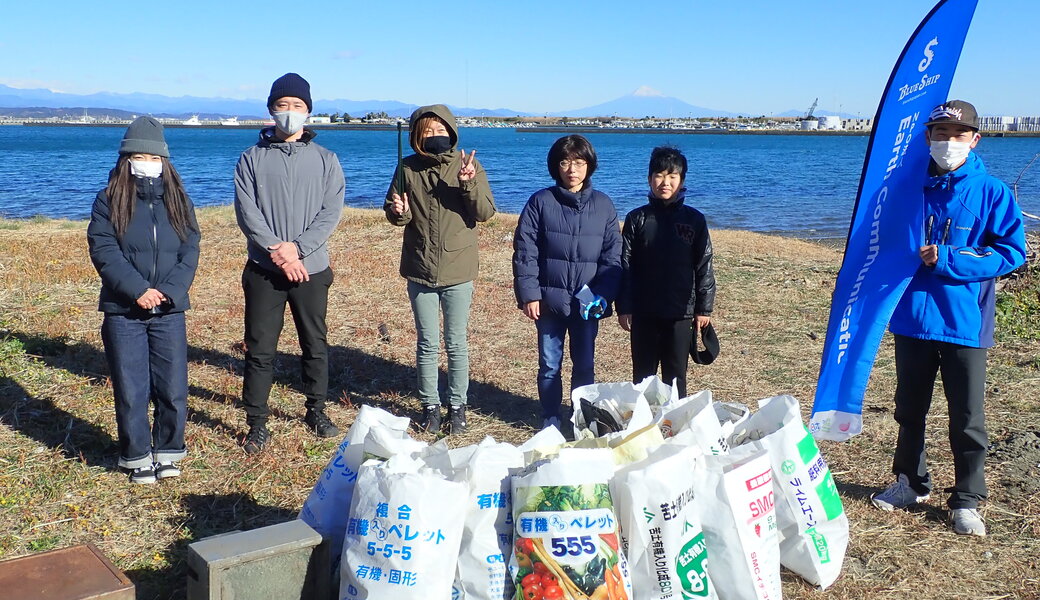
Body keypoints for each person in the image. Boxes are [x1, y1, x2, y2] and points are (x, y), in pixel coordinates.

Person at [871, 100, 1027, 536]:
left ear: (974, 139)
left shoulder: (991, 191)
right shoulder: (905, 188)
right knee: (909, 408)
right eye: (940, 133)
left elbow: (1012, 252)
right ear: (927, 138)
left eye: (958, 135)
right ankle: (910, 481)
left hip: (964, 322)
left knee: (967, 415)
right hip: (912, 318)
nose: (948, 142)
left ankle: (967, 499)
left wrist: (951, 258)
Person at [234, 73, 345, 453]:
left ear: (309, 113)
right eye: (282, 106)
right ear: (270, 110)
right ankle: (256, 420)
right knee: (260, 347)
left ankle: (316, 408)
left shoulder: (326, 160)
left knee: (314, 343)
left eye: (297, 106)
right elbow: (247, 213)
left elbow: (331, 212)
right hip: (263, 270)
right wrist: (276, 251)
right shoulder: (251, 158)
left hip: (311, 269)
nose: (289, 113)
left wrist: (298, 249)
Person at [87, 117, 200, 484]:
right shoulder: (108, 200)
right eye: (138, 155)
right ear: (125, 159)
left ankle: (169, 450)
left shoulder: (179, 200)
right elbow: (104, 250)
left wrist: (169, 290)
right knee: (131, 386)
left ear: (164, 160)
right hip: (124, 310)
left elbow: (191, 249)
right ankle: (136, 455)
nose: (146, 162)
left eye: (153, 156)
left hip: (169, 309)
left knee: (172, 385)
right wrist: (137, 290)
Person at [385, 104, 495, 435]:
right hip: (420, 267)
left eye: (440, 130)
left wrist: (468, 183)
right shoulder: (407, 168)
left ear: (451, 131)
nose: (435, 136)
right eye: (427, 132)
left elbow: (485, 212)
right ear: (417, 137)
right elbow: (396, 214)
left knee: (456, 341)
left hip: (458, 268)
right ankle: (430, 405)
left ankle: (457, 406)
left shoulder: (468, 165)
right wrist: (397, 209)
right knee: (427, 342)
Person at [512, 135, 621, 430]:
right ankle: (549, 416)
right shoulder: (540, 202)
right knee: (549, 365)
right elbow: (525, 251)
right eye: (565, 161)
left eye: (579, 161)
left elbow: (613, 258)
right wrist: (529, 294)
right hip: (549, 301)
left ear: (589, 165)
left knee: (584, 365)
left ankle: (581, 417)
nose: (572, 169)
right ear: (555, 166)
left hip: (587, 303)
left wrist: (603, 295)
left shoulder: (604, 205)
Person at [616, 146, 715, 398]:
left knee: (675, 376)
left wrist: (703, 309)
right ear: (649, 179)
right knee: (642, 377)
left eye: (672, 176)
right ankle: (643, 425)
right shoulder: (636, 218)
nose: (665, 182)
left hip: (680, 312)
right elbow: (624, 265)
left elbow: (704, 264)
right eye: (659, 175)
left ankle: (675, 424)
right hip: (644, 311)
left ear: (681, 181)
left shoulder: (695, 220)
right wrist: (624, 306)